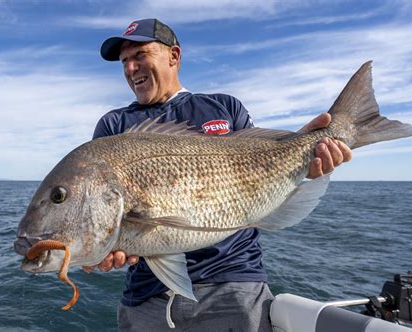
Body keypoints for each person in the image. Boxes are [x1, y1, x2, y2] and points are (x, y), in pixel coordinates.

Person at [85, 18, 352, 331]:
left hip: (234, 286)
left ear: (174, 56)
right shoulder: (113, 127)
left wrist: (305, 152)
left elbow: (264, 166)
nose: (131, 68)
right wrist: (96, 250)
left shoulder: (224, 107)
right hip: (146, 299)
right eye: (125, 61)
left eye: (140, 55)